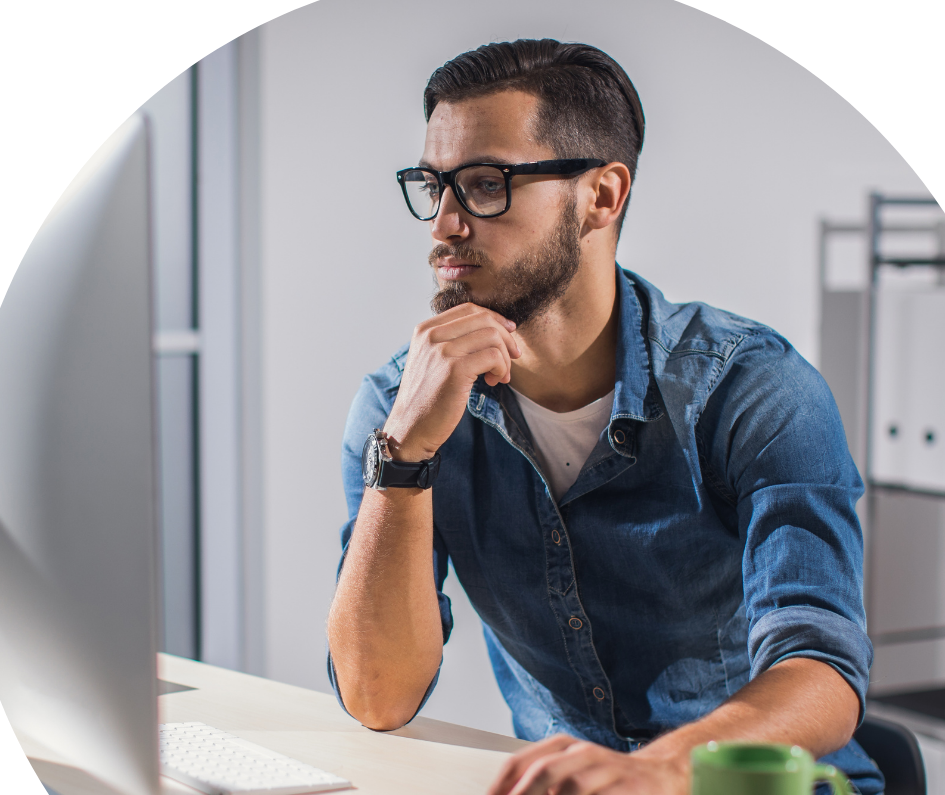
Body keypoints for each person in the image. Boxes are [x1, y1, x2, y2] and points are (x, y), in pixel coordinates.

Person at [326, 39, 883, 795]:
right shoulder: (402, 407)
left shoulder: (756, 390)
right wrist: (404, 453)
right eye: (435, 186)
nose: (444, 224)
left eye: (485, 184)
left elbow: (822, 670)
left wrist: (654, 769)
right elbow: (377, 696)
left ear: (602, 196)